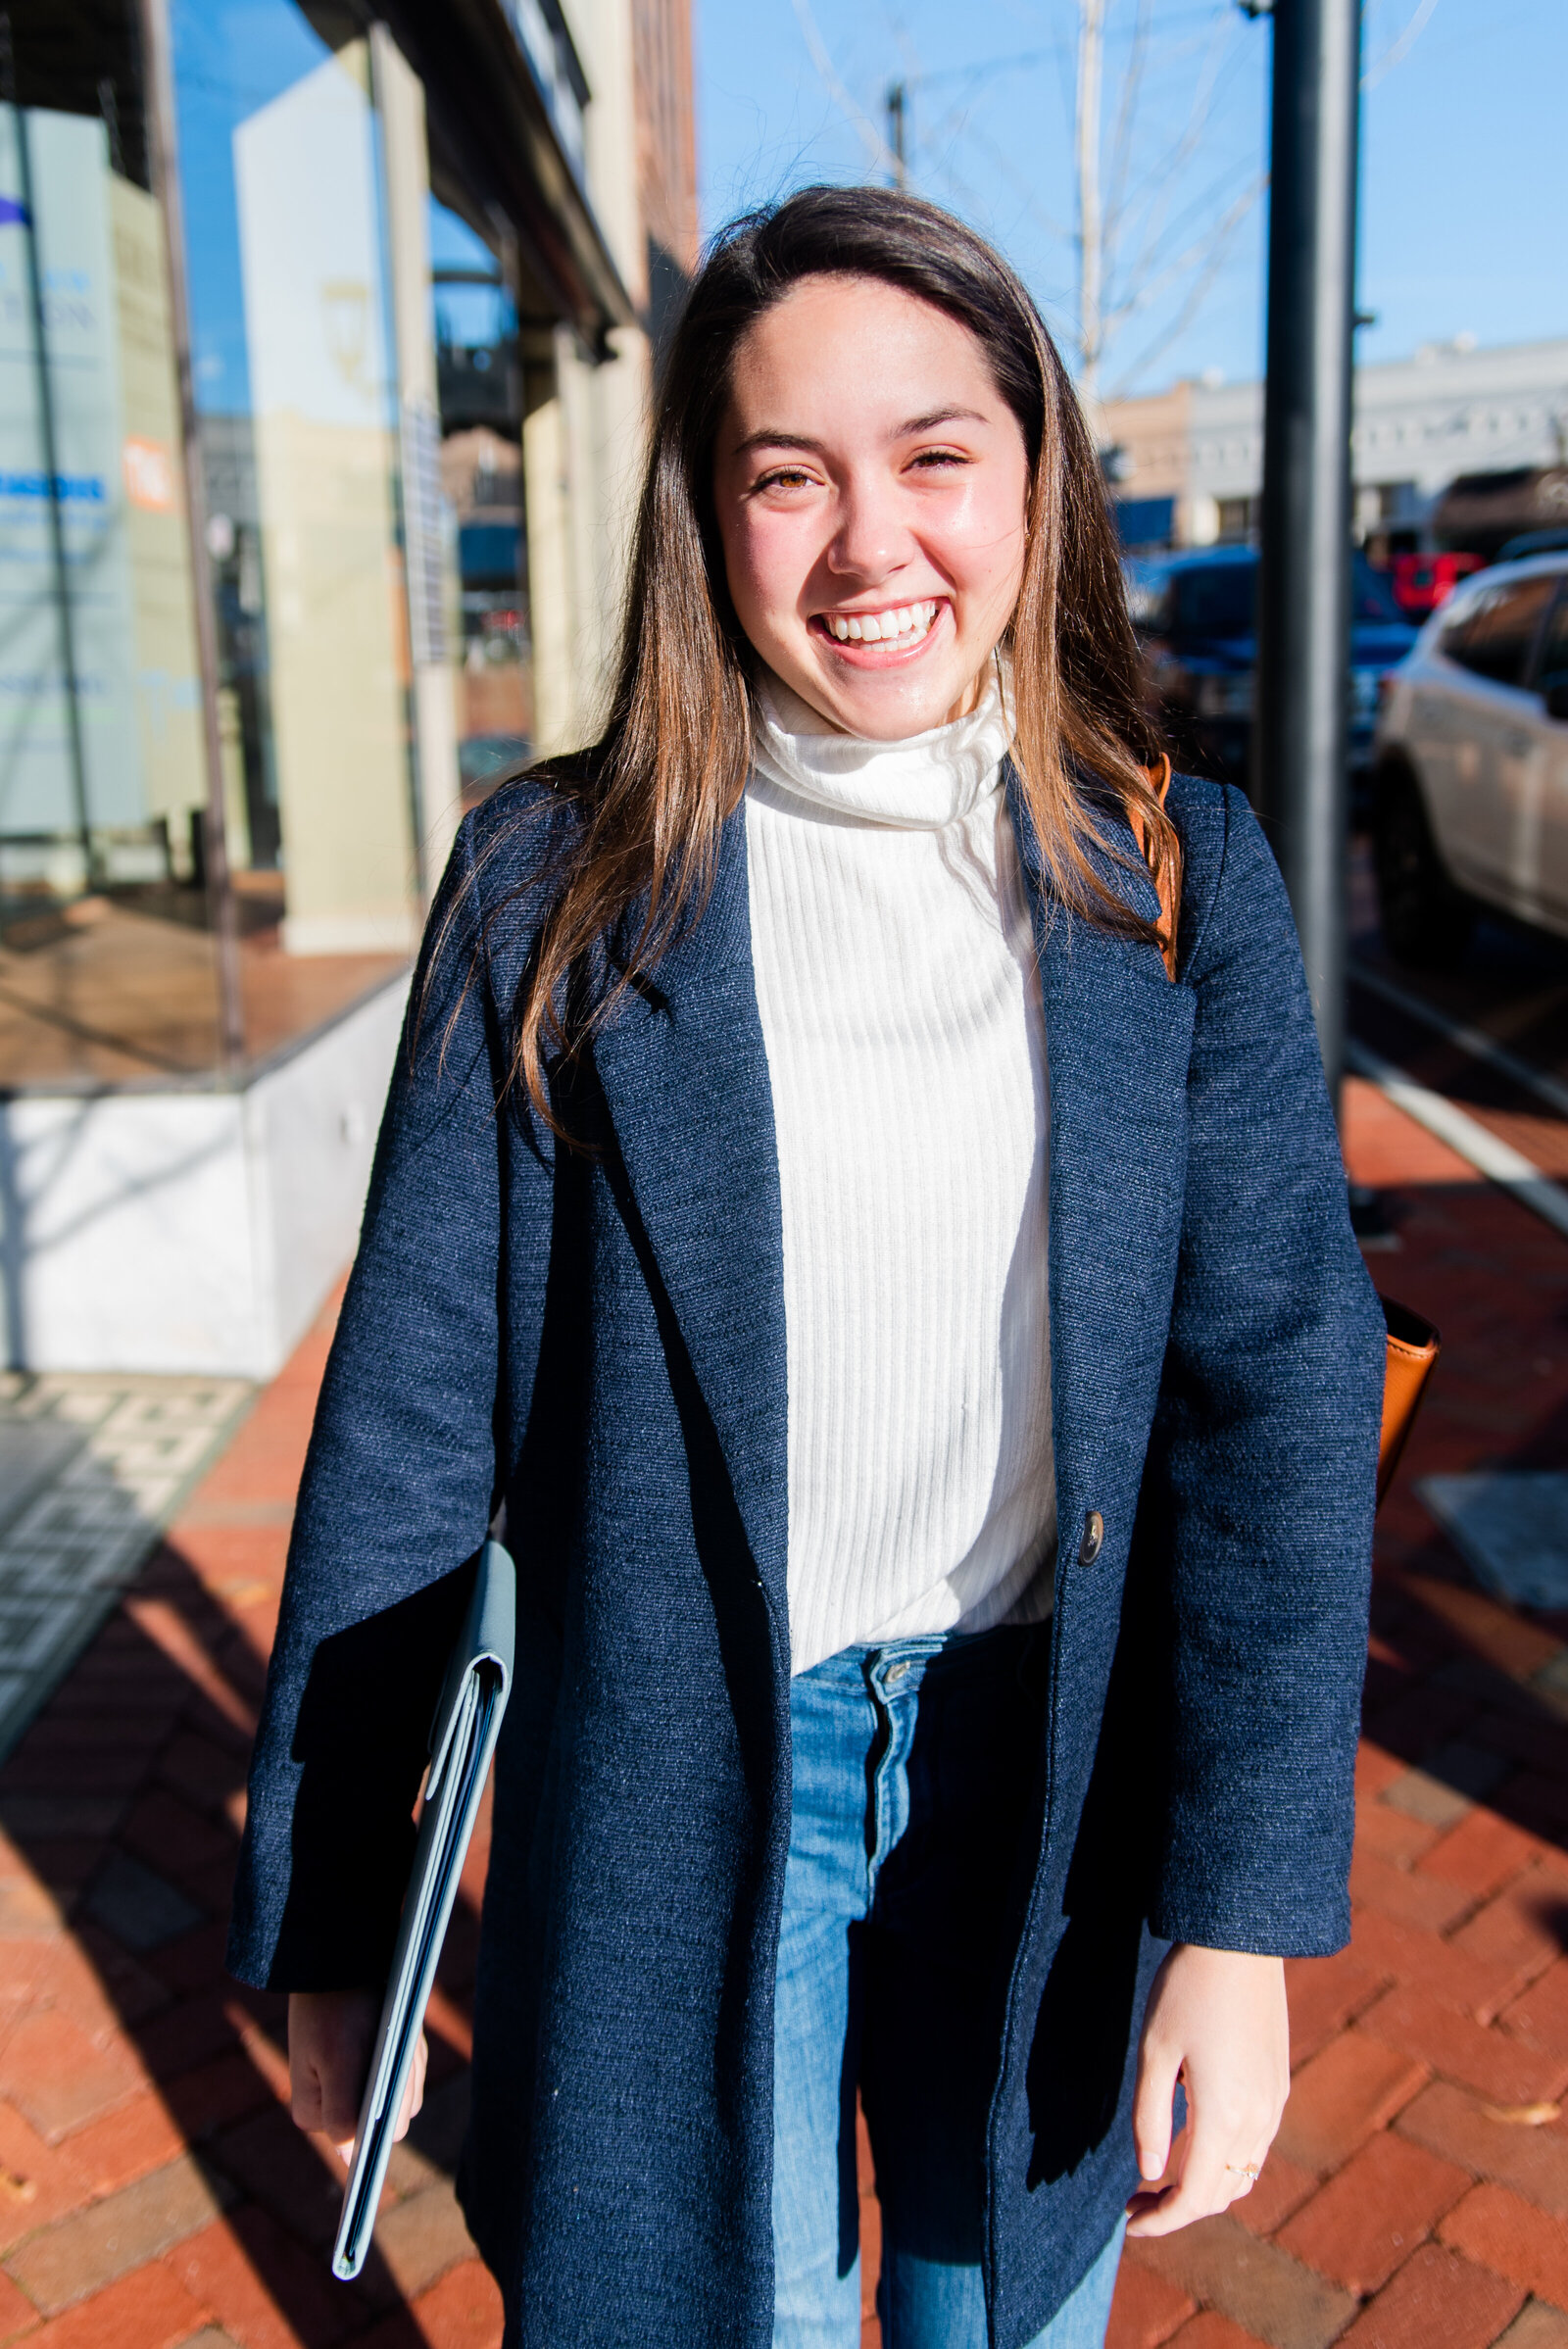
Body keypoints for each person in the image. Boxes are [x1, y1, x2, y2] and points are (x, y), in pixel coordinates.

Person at [228, 186, 1384, 2349]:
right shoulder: (553, 890)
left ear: (1033, 481)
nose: (869, 544)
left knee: (994, 2312)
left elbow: (1280, 1390)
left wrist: (1238, 1920)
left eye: (933, 455)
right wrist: (336, 1897)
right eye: (787, 475)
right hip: (678, 1762)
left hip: (1036, 1760)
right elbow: (408, 1417)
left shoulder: (1168, 877)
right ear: (703, 512)